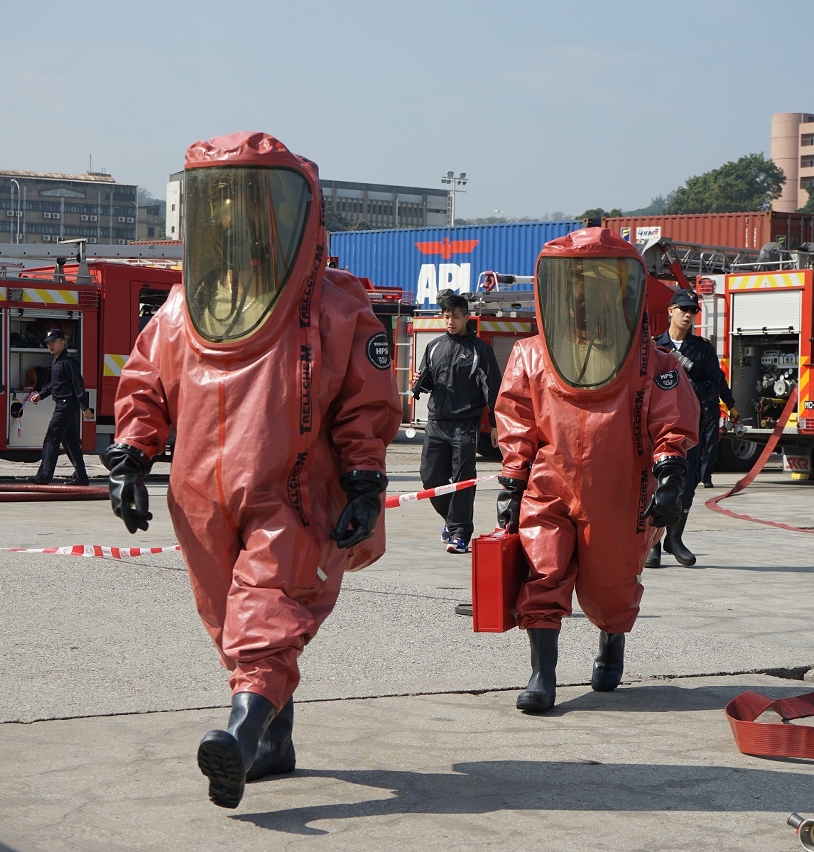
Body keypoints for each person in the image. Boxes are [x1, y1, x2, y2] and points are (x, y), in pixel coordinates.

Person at [105, 131, 401, 809]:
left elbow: (366, 405)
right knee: (231, 626)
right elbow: (146, 383)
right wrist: (133, 455)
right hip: (199, 498)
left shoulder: (335, 306)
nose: (238, 228)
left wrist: (363, 479)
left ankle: (239, 742)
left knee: (265, 617)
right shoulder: (186, 307)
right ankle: (274, 741)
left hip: (291, 491)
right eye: (227, 209)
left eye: (254, 211)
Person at [494, 227, 699, 713]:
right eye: (576, 295)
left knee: (612, 586)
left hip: (620, 487)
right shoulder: (530, 355)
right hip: (549, 484)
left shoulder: (652, 360)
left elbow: (672, 421)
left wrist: (670, 477)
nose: (584, 307)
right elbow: (516, 420)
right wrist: (511, 482)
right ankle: (543, 674)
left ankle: (612, 642)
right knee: (542, 574)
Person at [645, 288, 738, 568]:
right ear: (671, 310)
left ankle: (675, 539)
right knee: (655, 484)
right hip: (657, 428)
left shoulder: (703, 349)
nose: (688, 314)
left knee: (687, 484)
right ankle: (654, 545)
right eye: (683, 309)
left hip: (689, 428)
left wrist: (691, 385)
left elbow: (713, 386)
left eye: (693, 311)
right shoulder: (653, 345)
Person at [411, 289, 502, 554]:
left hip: (465, 424)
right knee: (430, 478)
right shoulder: (434, 345)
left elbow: (493, 390)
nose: (451, 321)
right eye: (447, 316)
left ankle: (460, 534)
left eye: (456, 317)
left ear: (467, 318)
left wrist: (495, 424)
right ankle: (454, 523)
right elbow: (426, 379)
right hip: (436, 422)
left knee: (463, 479)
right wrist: (418, 384)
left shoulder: (480, 351)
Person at [27, 328, 94, 485]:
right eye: (48, 343)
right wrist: (41, 395)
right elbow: (54, 385)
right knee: (70, 442)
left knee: (52, 437)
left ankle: (44, 476)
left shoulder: (69, 362)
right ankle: (81, 476)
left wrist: (85, 407)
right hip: (63, 405)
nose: (50, 346)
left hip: (67, 405)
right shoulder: (57, 361)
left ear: (63, 343)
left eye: (54, 342)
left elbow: (79, 385)